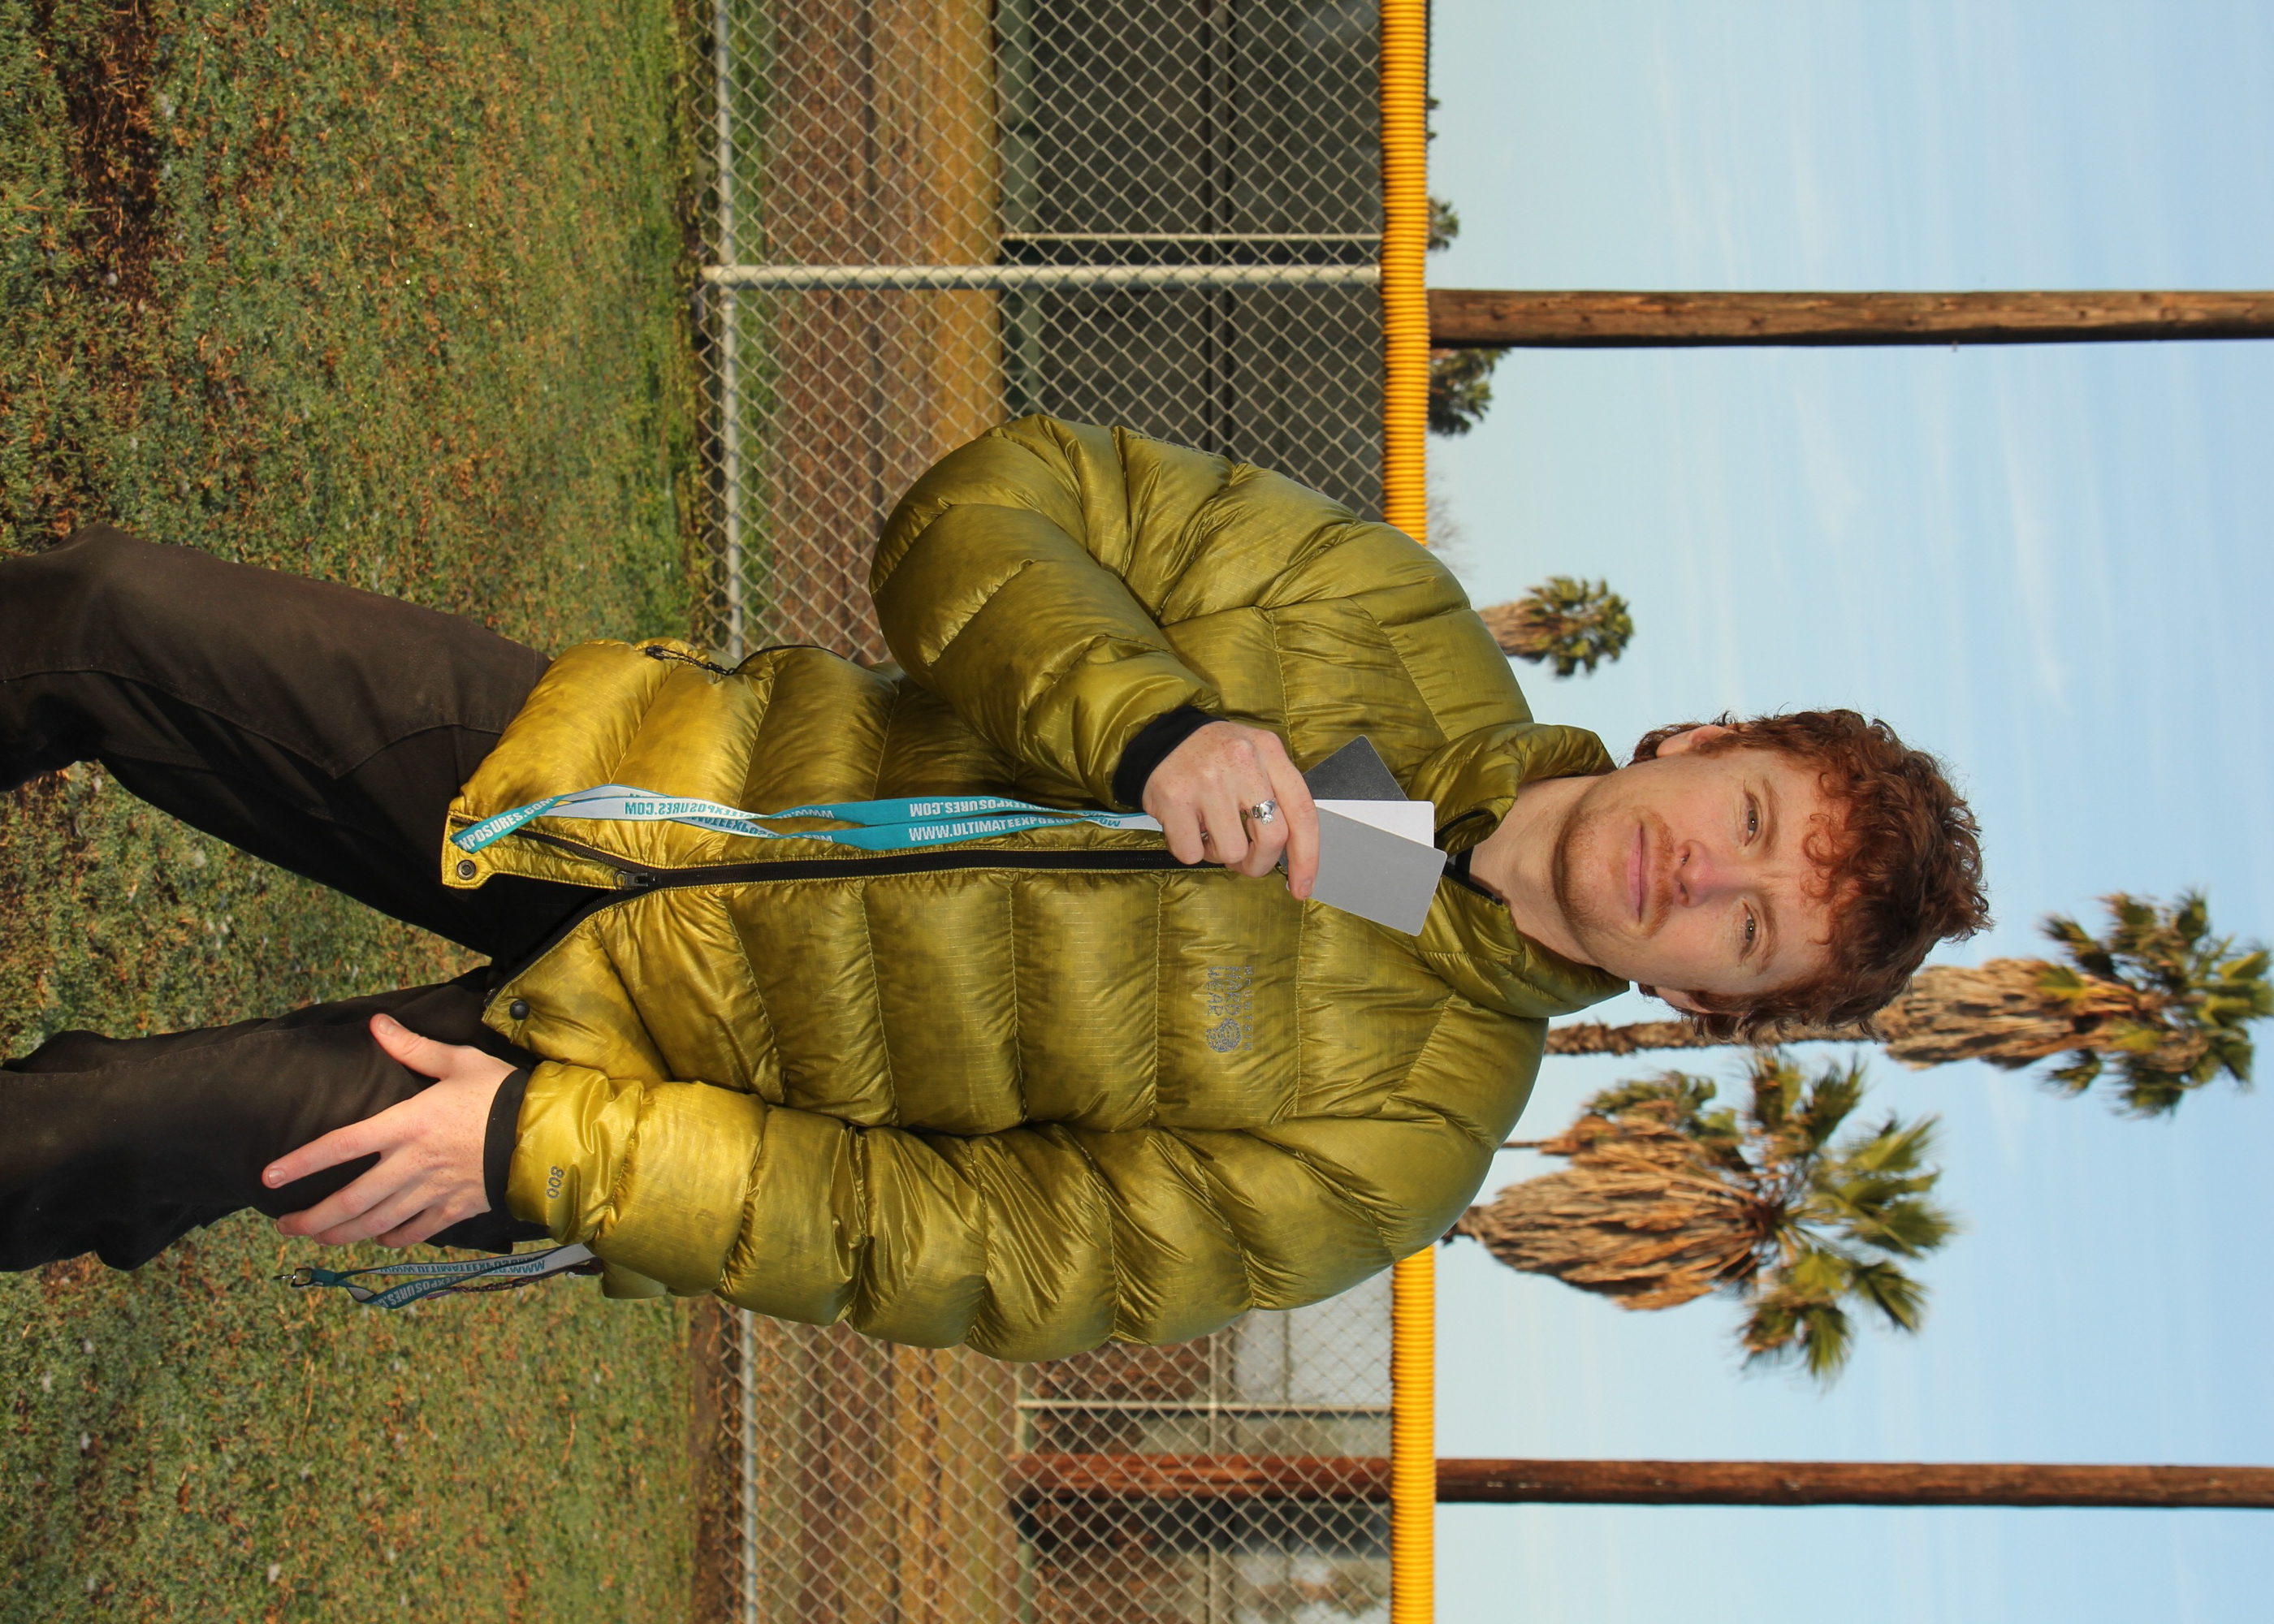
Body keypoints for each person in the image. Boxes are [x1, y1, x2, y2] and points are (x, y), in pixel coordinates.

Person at [0, 417, 1987, 1358]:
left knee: (93, 1134)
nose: (1701, 870)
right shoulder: (1380, 622)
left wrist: (550, 1153)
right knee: (101, 619)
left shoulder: (1400, 1141)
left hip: (619, 1085)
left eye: (1746, 926)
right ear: (1700, 736)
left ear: (1702, 1003)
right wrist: (1148, 722)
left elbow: (974, 1246)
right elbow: (996, 500)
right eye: (1746, 812)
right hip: (626, 780)